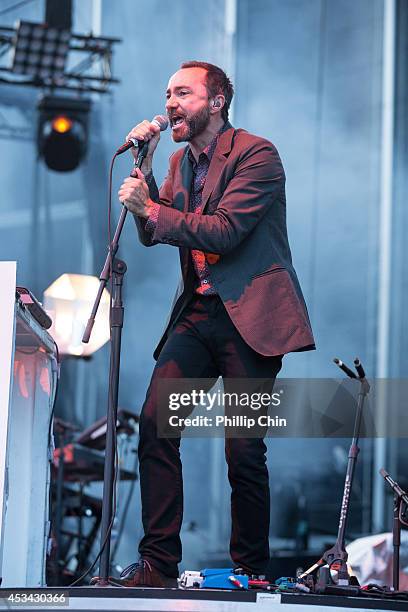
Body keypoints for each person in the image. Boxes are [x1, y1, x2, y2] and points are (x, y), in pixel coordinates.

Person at [114, 61, 315, 588]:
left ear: (217, 100)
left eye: (183, 92)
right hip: (199, 314)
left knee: (242, 447)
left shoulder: (257, 154)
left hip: (252, 316)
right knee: (156, 426)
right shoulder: (179, 162)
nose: (170, 102)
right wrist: (150, 174)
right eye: (167, 93)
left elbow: (223, 232)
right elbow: (153, 233)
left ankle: (251, 571)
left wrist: (151, 212)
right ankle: (159, 565)